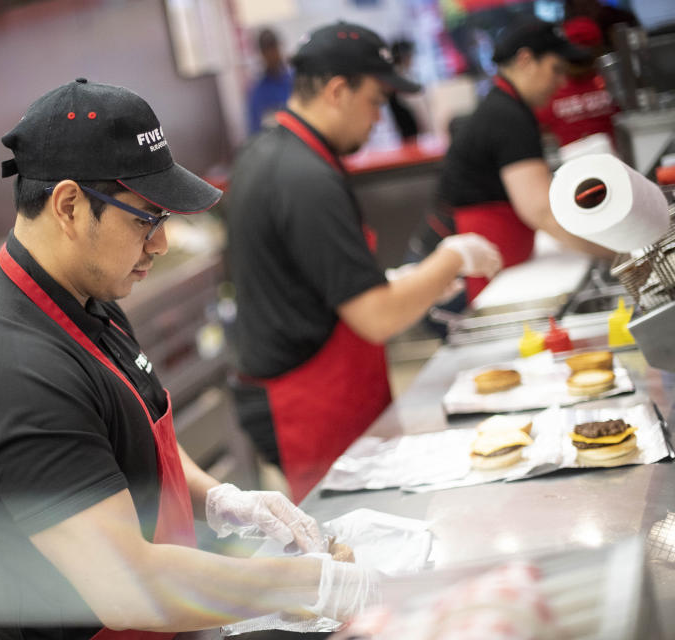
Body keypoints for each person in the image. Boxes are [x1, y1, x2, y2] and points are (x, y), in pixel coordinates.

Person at [0, 78, 382, 640]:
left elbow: (138, 435)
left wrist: (218, 498)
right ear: (69, 206)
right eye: (146, 217)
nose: (162, 243)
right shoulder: (9, 366)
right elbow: (127, 586)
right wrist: (306, 587)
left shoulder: (88, 296)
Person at [224, 22, 503, 501]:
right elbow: (376, 317)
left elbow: (311, 276)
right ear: (337, 90)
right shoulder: (304, 176)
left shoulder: (273, 152)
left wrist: (405, 281)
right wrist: (450, 257)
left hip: (313, 383)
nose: (378, 118)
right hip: (308, 399)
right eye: (375, 100)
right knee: (349, 541)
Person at [407, 17, 615, 307]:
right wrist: (616, 253)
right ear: (526, 60)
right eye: (556, 69)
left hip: (478, 267)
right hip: (456, 278)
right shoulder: (507, 117)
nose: (562, 81)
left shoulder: (507, 107)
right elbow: (542, 212)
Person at [534, 16, 619, 148]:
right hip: (572, 164)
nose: (579, 62)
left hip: (613, 161)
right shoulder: (550, 87)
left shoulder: (612, 81)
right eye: (574, 58)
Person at [247, 28, 293, 134]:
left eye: (274, 48)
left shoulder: (297, 80)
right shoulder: (257, 92)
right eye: (266, 50)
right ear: (261, 54)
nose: (272, 55)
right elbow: (255, 131)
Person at [388, 39, 420, 142]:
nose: (411, 60)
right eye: (410, 56)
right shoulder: (396, 79)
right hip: (404, 135)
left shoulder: (405, 75)